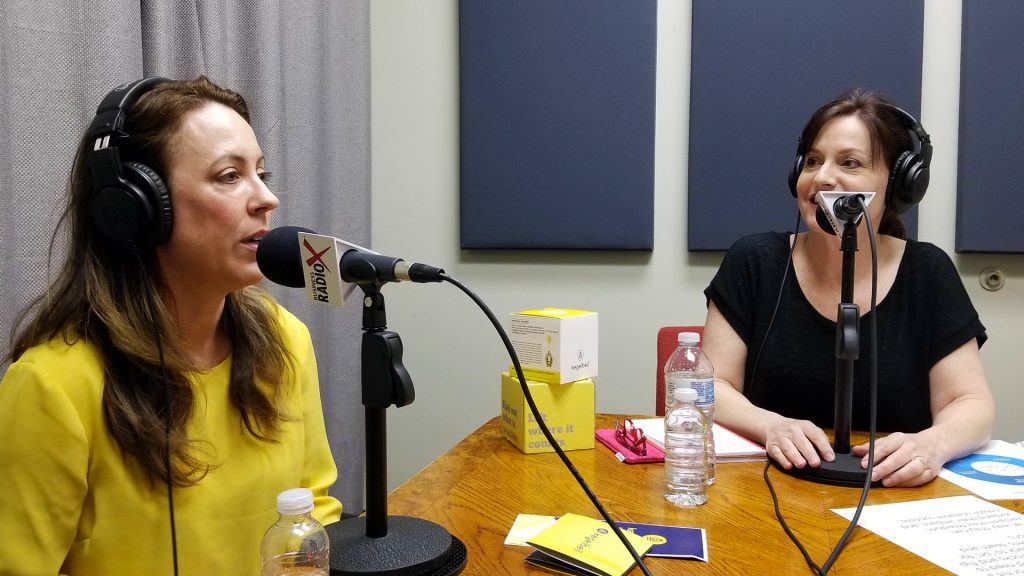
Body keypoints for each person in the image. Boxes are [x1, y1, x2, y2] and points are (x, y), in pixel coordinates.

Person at [0, 77, 342, 575]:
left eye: (261, 173)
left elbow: (315, 508)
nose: (266, 199)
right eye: (229, 176)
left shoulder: (285, 338)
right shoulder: (52, 387)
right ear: (136, 208)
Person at [702, 89, 995, 488]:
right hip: (770, 488)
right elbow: (710, 386)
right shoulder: (754, 261)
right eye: (812, 161)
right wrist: (769, 425)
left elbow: (971, 404)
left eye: (850, 163)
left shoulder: (928, 272)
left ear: (896, 184)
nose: (822, 177)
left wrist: (934, 443)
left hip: (894, 494)